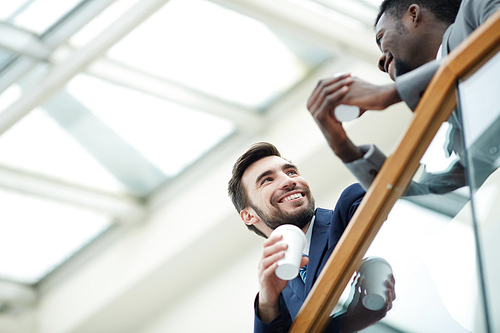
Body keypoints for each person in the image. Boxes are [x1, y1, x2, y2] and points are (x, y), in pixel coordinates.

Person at [307, 0, 500, 194]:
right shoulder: (450, 131)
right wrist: (345, 150)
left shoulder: (476, 6)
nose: (381, 63)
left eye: (381, 39)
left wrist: (390, 93)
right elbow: (426, 201)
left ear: (413, 15)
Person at [228, 142, 395, 333]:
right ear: (249, 216)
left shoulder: (349, 209)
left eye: (291, 172)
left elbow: (390, 187)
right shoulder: (275, 303)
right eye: (267, 180)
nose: (289, 181)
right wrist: (267, 304)